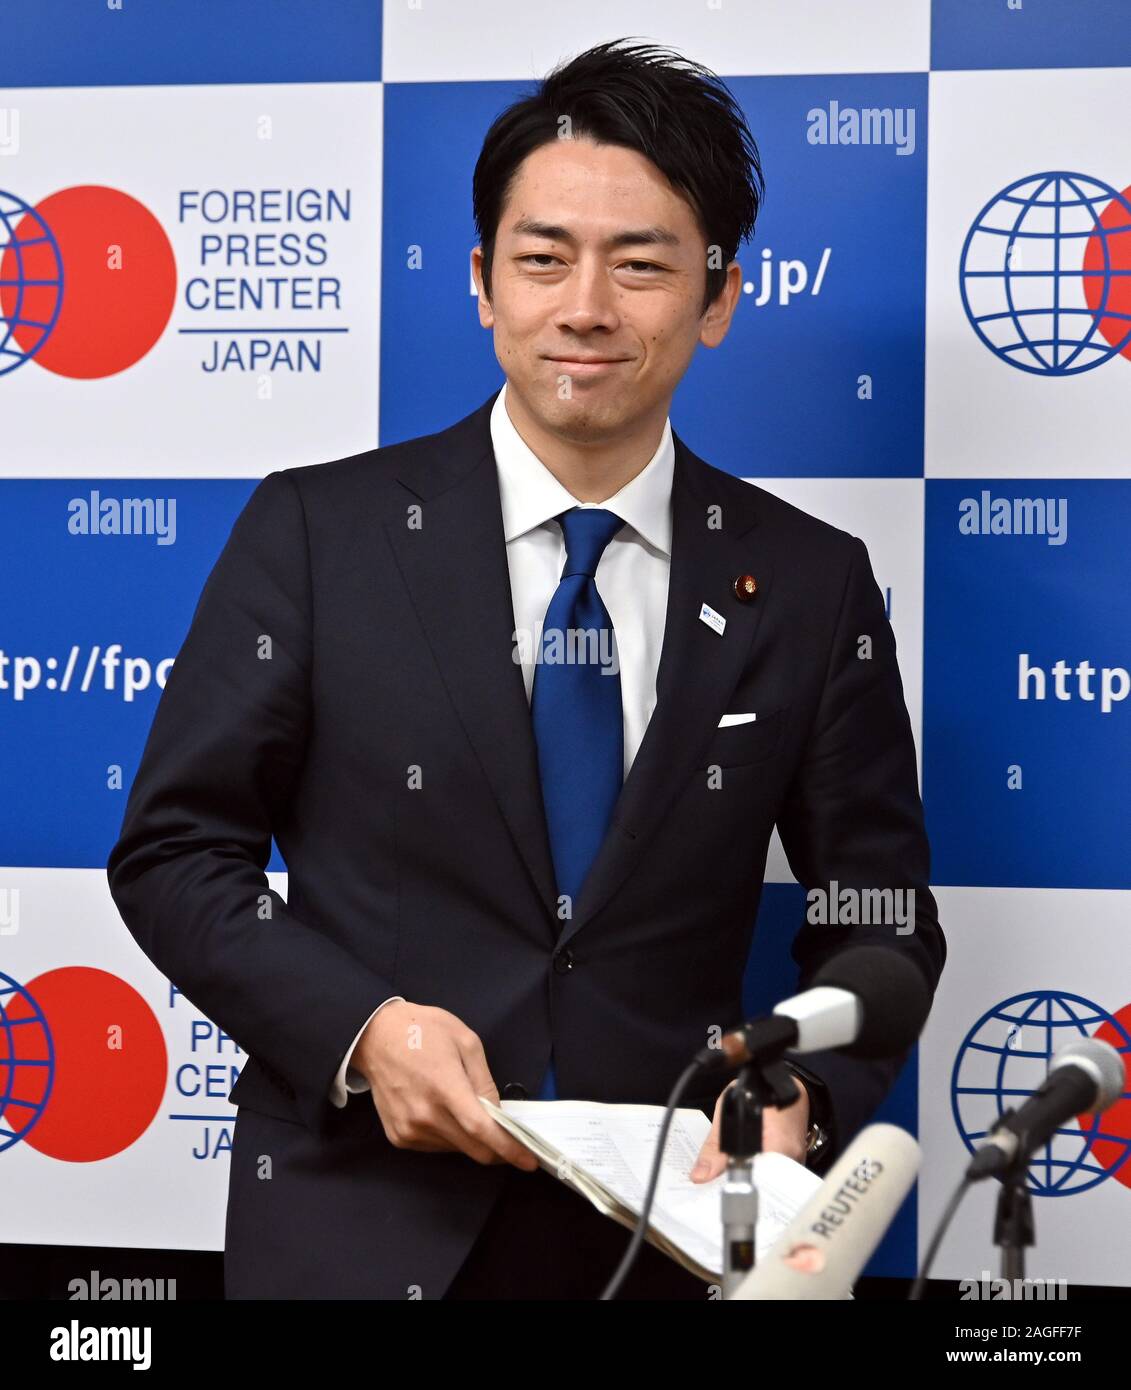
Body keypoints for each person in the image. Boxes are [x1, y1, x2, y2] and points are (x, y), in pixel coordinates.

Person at [106, 38, 945, 1300]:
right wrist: (361, 1030)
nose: (587, 306)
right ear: (483, 283)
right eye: (543, 258)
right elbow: (175, 852)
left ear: (717, 298)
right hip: (356, 1225)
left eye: (644, 263)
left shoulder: (813, 583)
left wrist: (807, 1097)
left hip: (671, 1234)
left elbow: (878, 915)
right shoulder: (316, 533)